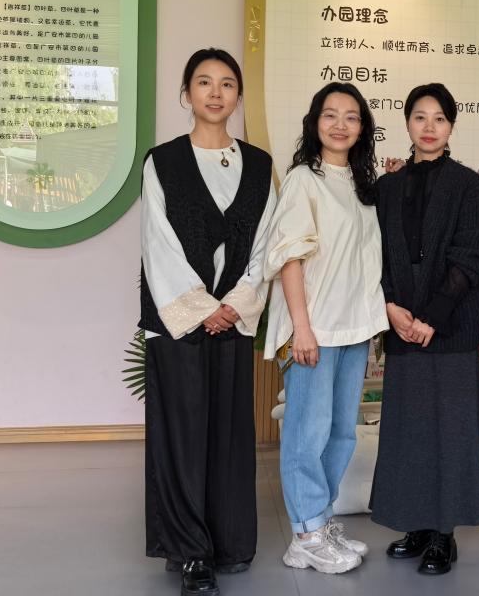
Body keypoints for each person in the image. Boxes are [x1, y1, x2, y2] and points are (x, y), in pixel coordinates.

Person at [140, 48, 276, 596]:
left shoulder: (260, 165)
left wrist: (235, 305)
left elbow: (266, 245)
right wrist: (202, 308)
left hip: (233, 318)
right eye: (203, 82)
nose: (215, 92)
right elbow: (157, 244)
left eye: (226, 83)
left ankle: (230, 541)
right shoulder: (162, 161)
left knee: (229, 434)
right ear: (186, 94)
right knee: (181, 435)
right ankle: (190, 551)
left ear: (238, 96)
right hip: (178, 321)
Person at [369, 83, 479, 575]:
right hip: (401, 325)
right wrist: (392, 308)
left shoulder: (468, 184)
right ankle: (416, 524)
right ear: (406, 123)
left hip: (451, 327)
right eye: (420, 117)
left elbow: (472, 254)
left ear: (451, 127)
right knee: (409, 431)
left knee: (452, 432)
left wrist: (432, 318)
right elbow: (374, 255)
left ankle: (444, 534)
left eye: (439, 118)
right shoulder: (387, 187)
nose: (429, 127)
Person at [264, 82, 389, 574]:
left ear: (363, 128)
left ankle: (320, 520)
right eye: (330, 115)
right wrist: (301, 328)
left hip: (353, 329)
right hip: (314, 330)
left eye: (351, 116)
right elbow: (290, 258)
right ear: (315, 122)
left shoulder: (361, 186)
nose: (340, 125)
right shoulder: (303, 180)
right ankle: (305, 535)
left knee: (340, 434)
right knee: (307, 433)